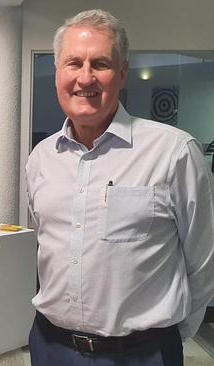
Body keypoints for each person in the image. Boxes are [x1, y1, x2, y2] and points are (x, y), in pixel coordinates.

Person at [26, 9, 214, 366]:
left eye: (100, 64)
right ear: (57, 72)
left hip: (142, 354)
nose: (85, 77)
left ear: (123, 72)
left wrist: (167, 337)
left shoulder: (173, 152)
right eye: (73, 63)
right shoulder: (41, 158)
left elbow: (203, 262)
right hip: (51, 348)